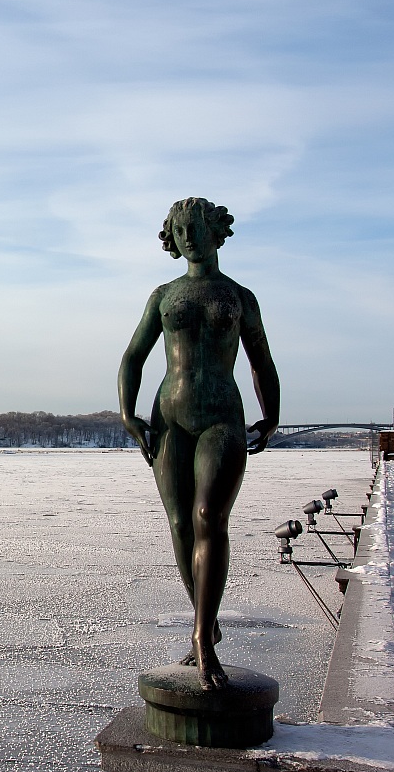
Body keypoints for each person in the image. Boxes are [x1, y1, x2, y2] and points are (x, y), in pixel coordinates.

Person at [118, 197, 280, 690]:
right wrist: (129, 413)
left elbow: (261, 361)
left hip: (220, 420)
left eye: (197, 227)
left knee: (209, 517)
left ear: (216, 232)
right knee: (179, 525)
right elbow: (133, 356)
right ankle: (204, 624)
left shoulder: (238, 297)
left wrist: (271, 415)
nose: (189, 237)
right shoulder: (164, 296)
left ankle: (203, 642)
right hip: (169, 420)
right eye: (180, 229)